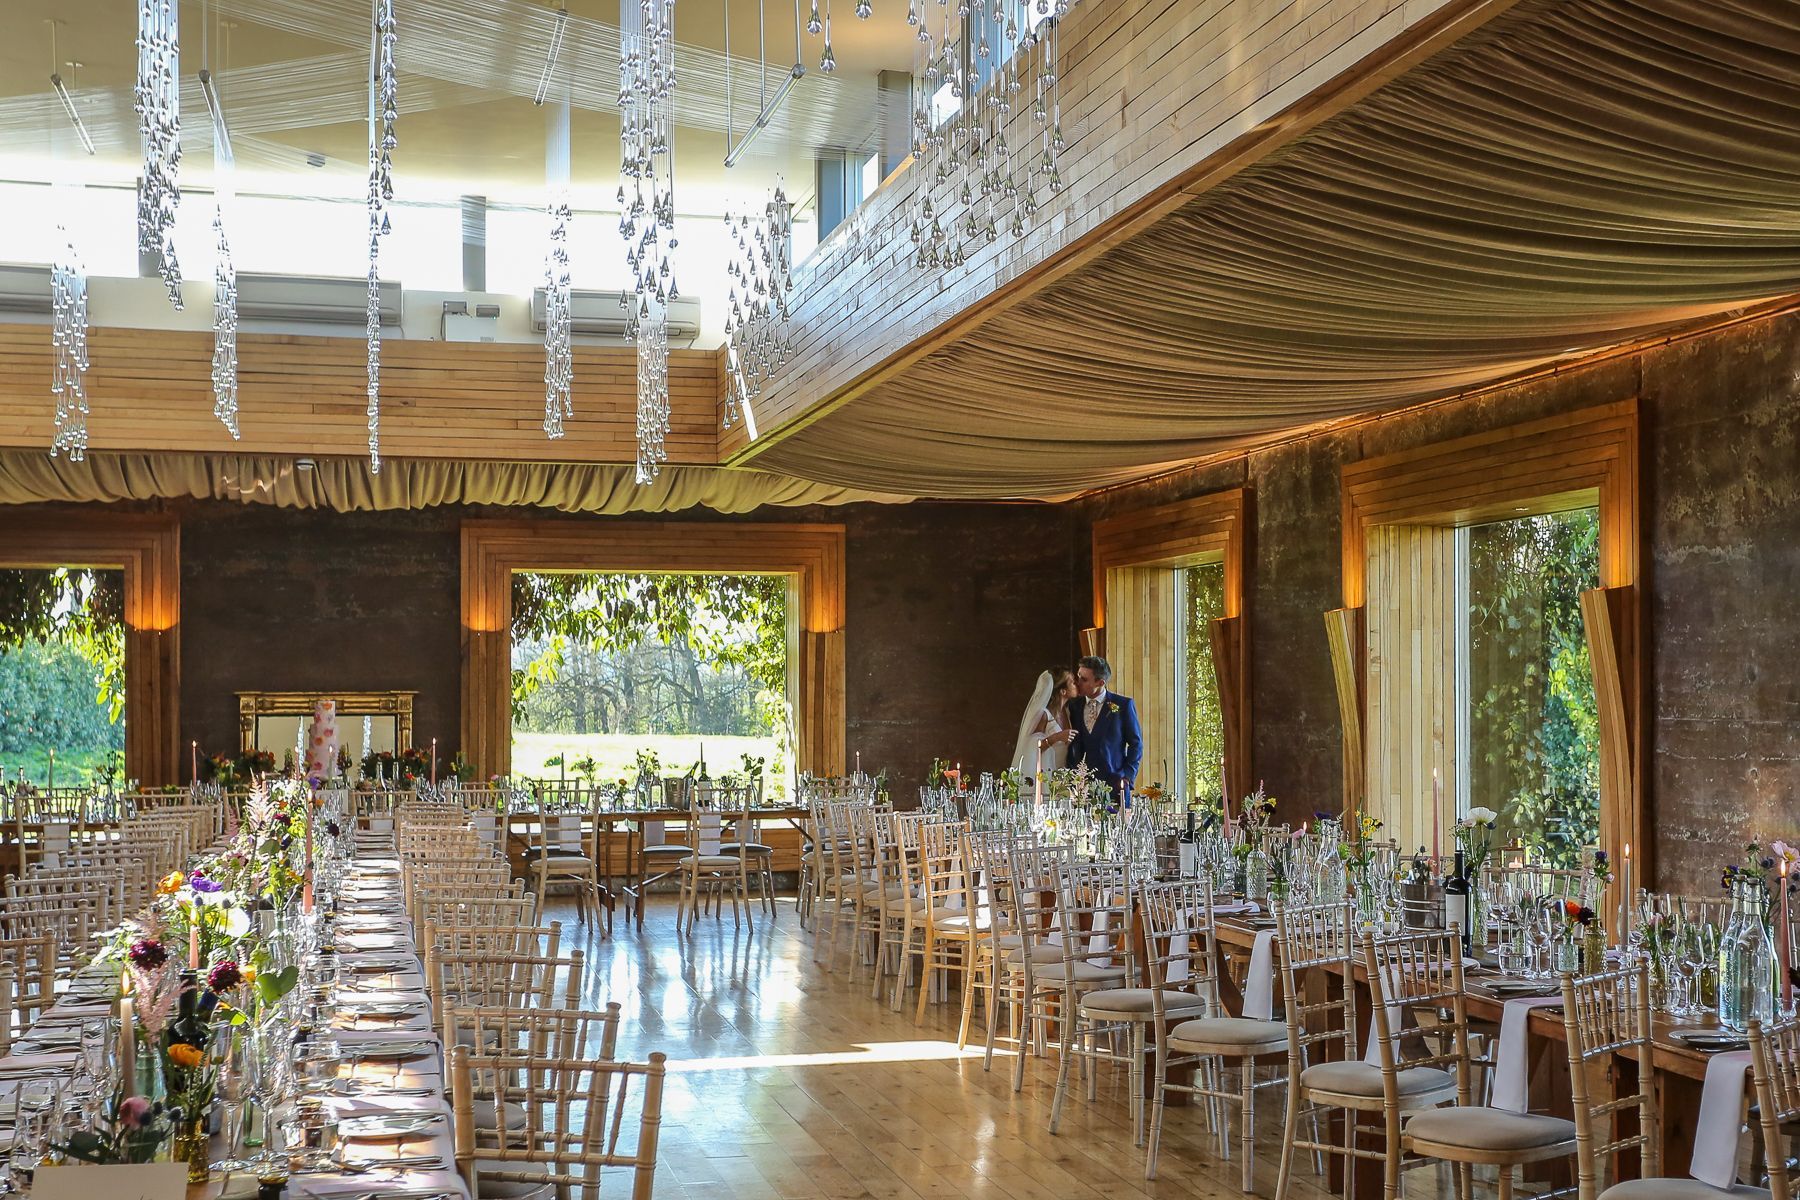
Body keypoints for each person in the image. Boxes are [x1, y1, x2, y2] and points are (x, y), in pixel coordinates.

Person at [1065, 655, 1143, 798]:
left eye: (1084, 679)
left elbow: (1136, 743)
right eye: (1078, 676)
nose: (1077, 682)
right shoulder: (1073, 706)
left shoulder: (1122, 705)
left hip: (1114, 785)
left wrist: (1127, 776)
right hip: (1081, 788)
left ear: (1100, 682)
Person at [1011, 667, 1078, 784]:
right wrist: (1056, 737)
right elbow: (1031, 748)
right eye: (1072, 682)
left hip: (1063, 777)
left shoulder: (1068, 712)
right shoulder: (1044, 715)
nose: (1076, 684)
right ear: (1063, 691)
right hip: (1045, 778)